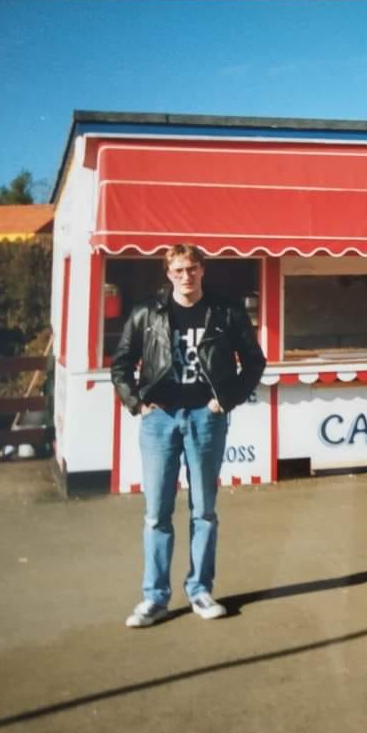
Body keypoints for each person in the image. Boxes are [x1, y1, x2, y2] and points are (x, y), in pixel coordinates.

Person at [111, 244, 266, 627]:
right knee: (156, 513)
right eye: (178, 270)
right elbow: (121, 364)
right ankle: (154, 598)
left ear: (202, 270)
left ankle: (199, 590)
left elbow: (254, 361)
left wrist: (224, 401)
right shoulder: (147, 312)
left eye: (192, 269)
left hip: (206, 418)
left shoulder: (225, 311)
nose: (186, 276)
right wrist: (137, 403)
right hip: (159, 418)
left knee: (205, 512)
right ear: (168, 273)